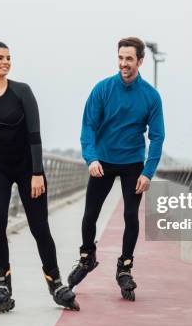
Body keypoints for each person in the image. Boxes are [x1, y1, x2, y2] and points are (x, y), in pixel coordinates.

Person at [0, 41, 79, 314]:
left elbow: (34, 135)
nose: (5, 62)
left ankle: (55, 282)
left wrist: (36, 172)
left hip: (27, 166)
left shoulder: (22, 91)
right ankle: (2, 284)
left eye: (8, 58)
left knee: (39, 226)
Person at [68, 37, 165, 301]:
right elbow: (88, 126)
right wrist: (92, 158)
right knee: (90, 215)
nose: (124, 63)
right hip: (103, 161)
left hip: (133, 163)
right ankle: (87, 256)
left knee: (131, 216)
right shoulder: (102, 89)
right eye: (120, 58)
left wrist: (148, 172)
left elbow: (157, 136)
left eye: (129, 59)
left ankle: (125, 267)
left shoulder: (151, 97)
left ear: (140, 61)